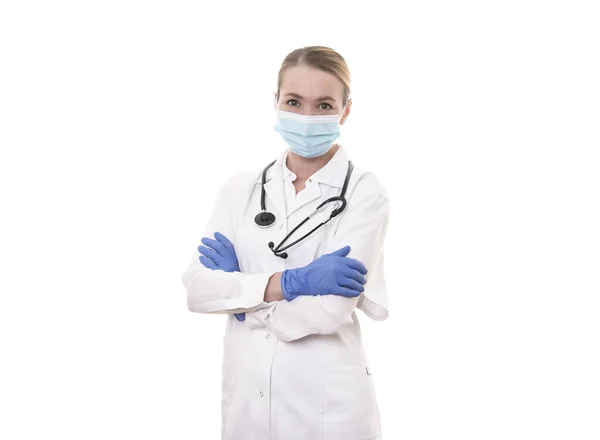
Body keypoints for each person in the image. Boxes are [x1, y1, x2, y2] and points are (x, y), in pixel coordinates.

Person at [181, 46, 390, 440]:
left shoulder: (365, 194)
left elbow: (329, 312)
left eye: (324, 104)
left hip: (331, 412)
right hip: (246, 406)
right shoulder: (240, 189)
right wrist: (292, 284)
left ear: (345, 111)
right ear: (275, 102)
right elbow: (197, 290)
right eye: (294, 101)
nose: (306, 117)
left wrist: (241, 295)